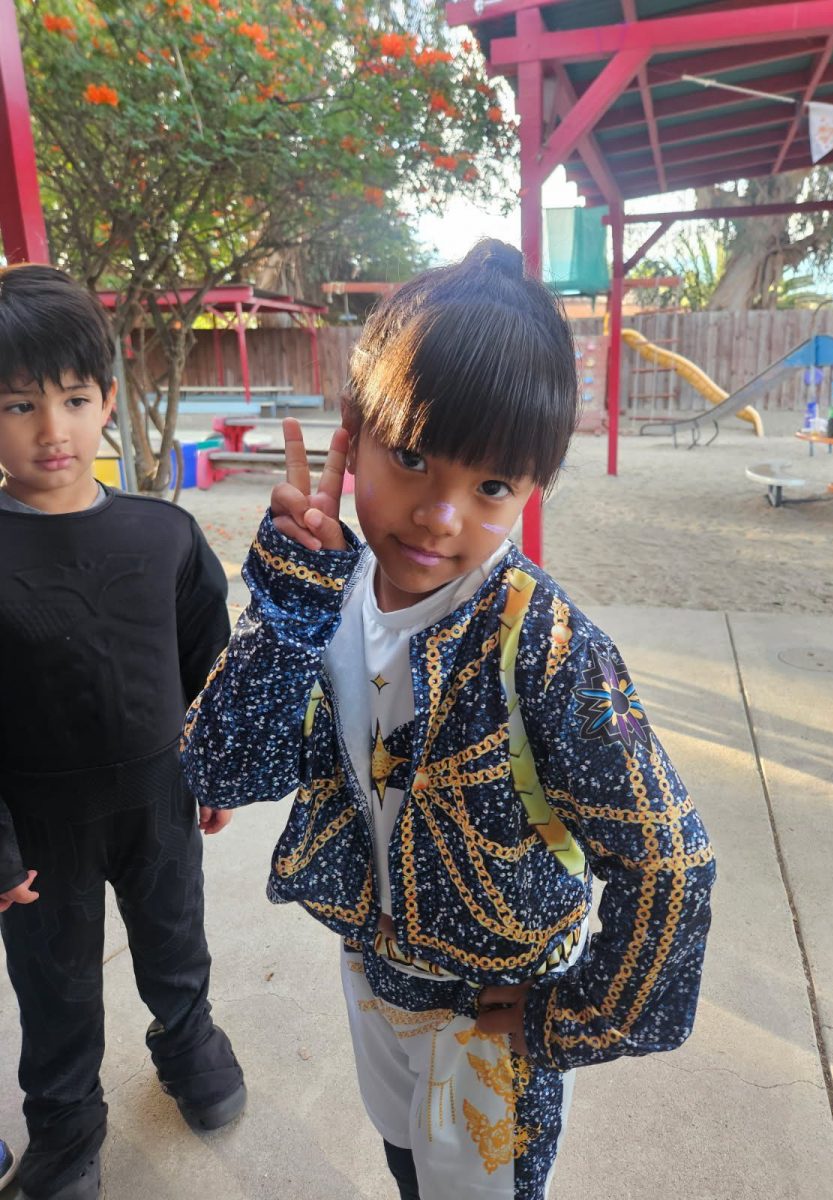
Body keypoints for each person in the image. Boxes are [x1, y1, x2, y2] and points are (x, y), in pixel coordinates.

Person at [182, 240, 716, 1199]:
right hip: (372, 975)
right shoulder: (329, 594)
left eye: (492, 486)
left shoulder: (547, 646)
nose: (439, 513)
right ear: (354, 431)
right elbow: (221, 770)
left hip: (489, 1017)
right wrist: (292, 602)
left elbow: (670, 861)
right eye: (413, 457)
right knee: (402, 1158)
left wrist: (573, 1016)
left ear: (534, 485)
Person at [0, 264, 246, 1200]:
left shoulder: (164, 536)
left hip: (158, 800)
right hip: (39, 826)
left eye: (73, 399)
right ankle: (65, 1126)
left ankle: (189, 1045)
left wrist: (213, 768)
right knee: (55, 986)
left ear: (107, 400)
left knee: (176, 941)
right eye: (19, 405)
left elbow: (207, 662)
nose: (51, 430)